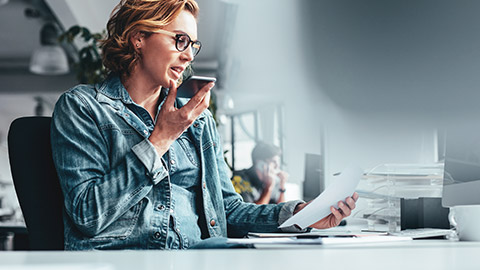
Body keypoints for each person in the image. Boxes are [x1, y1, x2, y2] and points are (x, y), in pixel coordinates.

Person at [51, 0, 358, 250]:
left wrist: (300, 215)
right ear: (139, 37)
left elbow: (229, 211)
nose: (188, 56)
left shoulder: (197, 120)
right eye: (179, 40)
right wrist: (159, 140)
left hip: (201, 259)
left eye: (193, 45)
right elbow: (87, 214)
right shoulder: (83, 107)